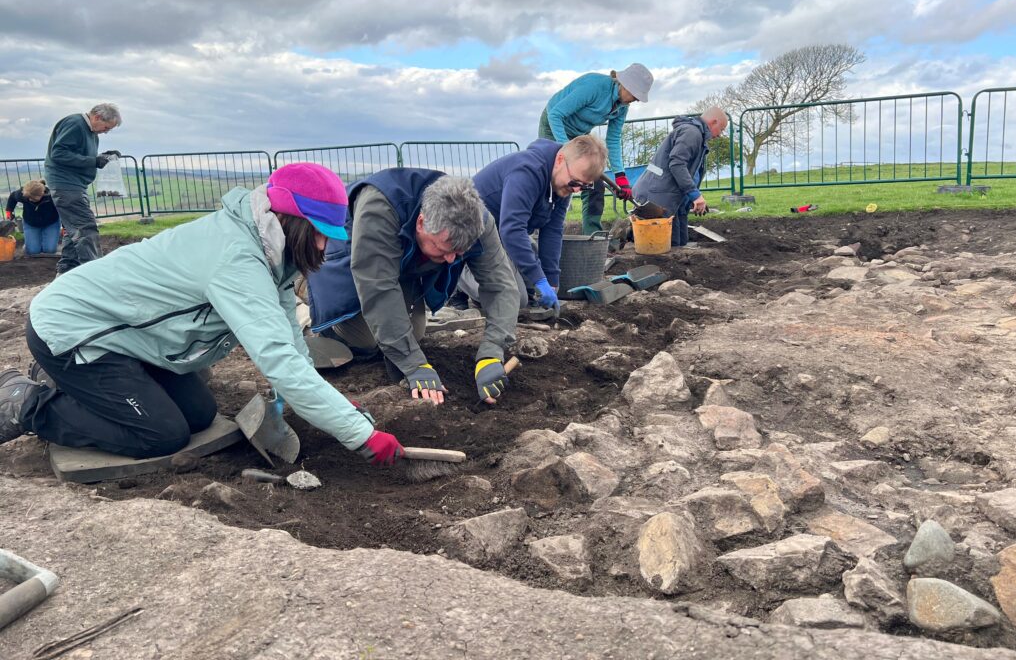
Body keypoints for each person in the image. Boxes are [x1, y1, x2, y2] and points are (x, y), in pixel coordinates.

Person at [0, 163, 404, 467]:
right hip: (72, 330)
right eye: (318, 232)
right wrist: (362, 436)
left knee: (199, 415)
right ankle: (24, 401)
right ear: (291, 220)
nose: (321, 246)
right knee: (161, 435)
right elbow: (277, 360)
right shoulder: (237, 260)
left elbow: (288, 338)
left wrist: (331, 403)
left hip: (125, 340)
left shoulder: (270, 252)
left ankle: (66, 381)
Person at [305, 169, 519, 407]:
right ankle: (309, 310)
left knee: (413, 333)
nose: (451, 260)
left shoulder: (477, 221)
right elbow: (378, 286)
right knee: (366, 342)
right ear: (421, 222)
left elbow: (502, 286)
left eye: (459, 253)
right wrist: (413, 364)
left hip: (402, 263)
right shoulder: (380, 207)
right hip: (342, 258)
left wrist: (492, 352)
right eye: (443, 248)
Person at [461, 135, 608, 313]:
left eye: (584, 186)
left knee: (530, 285)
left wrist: (551, 281)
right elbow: (513, 230)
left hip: (499, 234)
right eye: (575, 182)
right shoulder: (527, 171)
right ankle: (460, 276)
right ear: (560, 160)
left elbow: (552, 230)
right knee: (514, 298)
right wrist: (539, 279)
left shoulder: (561, 184)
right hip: (470, 234)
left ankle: (490, 281)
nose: (576, 190)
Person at [539, 63, 654, 234]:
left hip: (579, 134)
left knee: (594, 182)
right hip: (554, 127)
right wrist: (566, 149)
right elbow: (555, 114)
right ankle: (543, 230)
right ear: (625, 84)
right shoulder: (594, 87)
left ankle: (591, 238)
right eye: (635, 94)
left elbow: (613, 139)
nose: (636, 99)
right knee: (555, 179)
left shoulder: (622, 107)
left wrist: (621, 178)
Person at [632, 107, 729, 248]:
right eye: (722, 129)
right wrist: (695, 195)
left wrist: (690, 198)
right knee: (670, 244)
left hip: (670, 196)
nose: (720, 134)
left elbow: (689, 171)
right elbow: (677, 164)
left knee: (681, 241)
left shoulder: (696, 134)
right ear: (714, 122)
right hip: (658, 196)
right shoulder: (692, 133)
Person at [44, 103, 123, 275]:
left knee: (73, 230)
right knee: (86, 227)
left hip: (74, 184)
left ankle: (66, 271)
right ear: (97, 117)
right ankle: (96, 274)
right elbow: (59, 153)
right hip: (65, 184)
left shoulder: (90, 131)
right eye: (106, 127)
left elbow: (77, 154)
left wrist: (102, 157)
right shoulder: (75, 124)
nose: (106, 131)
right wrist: (93, 161)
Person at [5, 179, 61, 256]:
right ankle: (31, 244)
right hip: (31, 222)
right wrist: (9, 211)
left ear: (41, 194)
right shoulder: (23, 194)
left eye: (32, 198)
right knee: (32, 251)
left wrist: (65, 227)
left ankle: (47, 243)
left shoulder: (52, 196)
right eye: (28, 198)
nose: (30, 199)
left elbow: (64, 210)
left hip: (51, 222)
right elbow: (12, 197)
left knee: (49, 250)